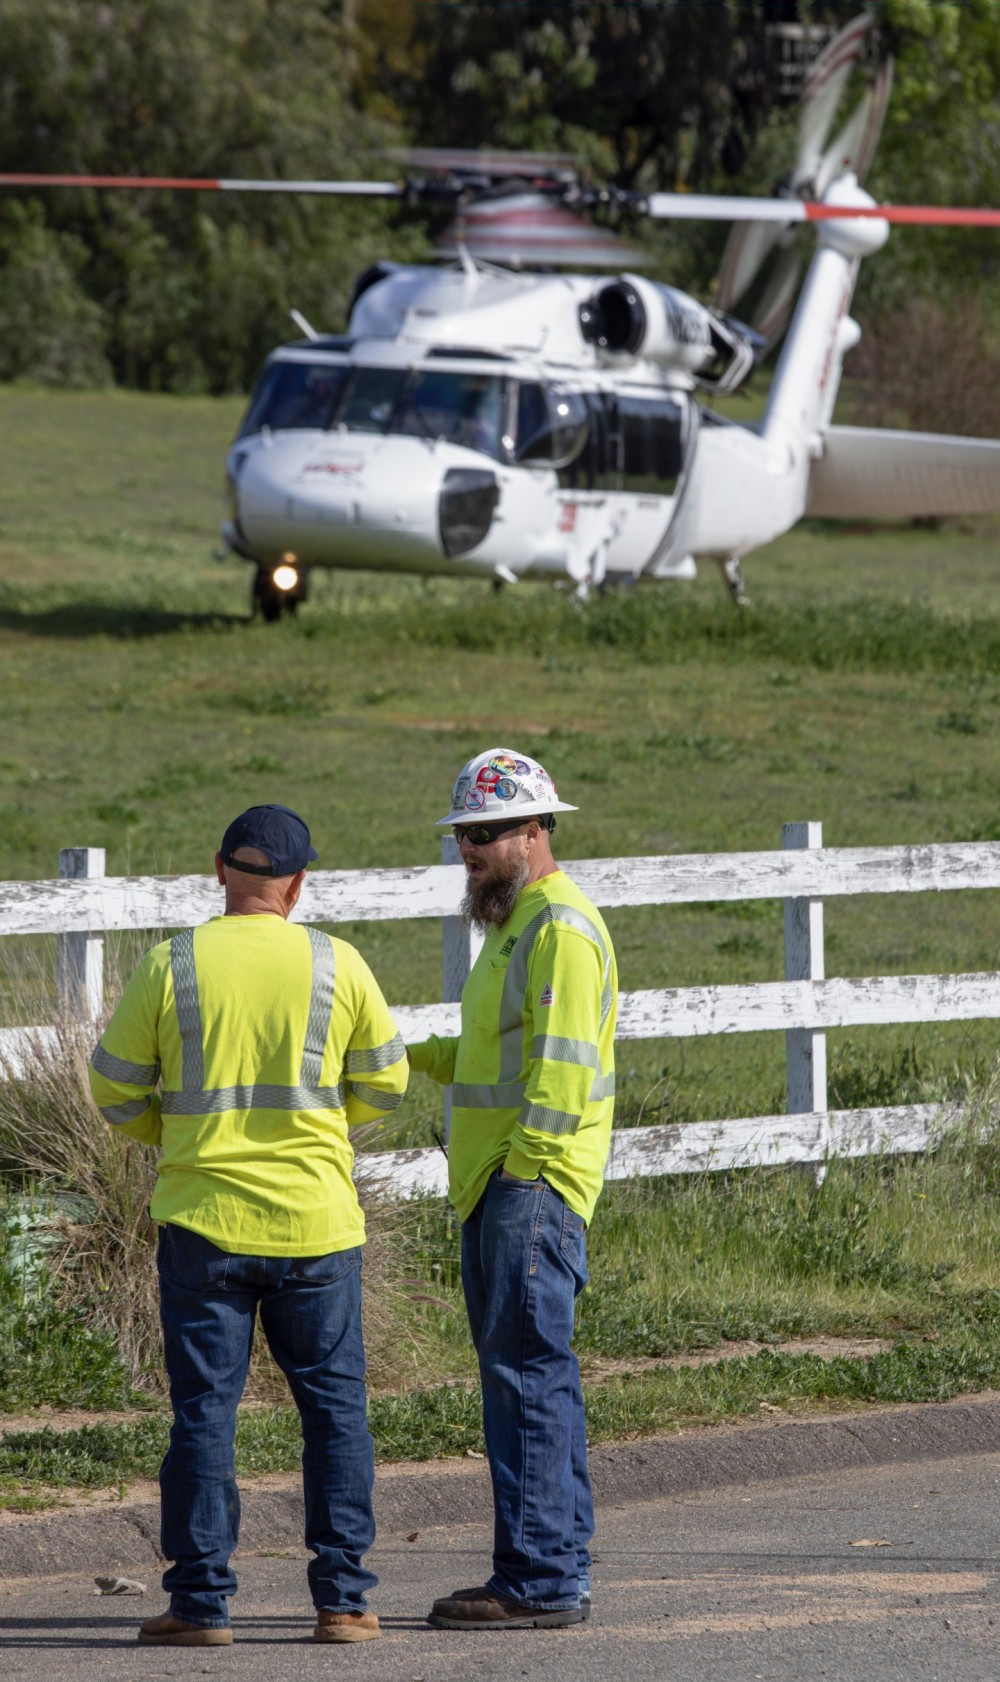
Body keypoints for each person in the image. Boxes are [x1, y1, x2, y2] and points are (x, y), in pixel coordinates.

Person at [87, 804, 407, 1648]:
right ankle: (344, 1602)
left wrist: (176, 1136)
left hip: (204, 1222)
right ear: (298, 886)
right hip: (317, 1226)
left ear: (219, 870)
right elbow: (386, 1081)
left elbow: (114, 1087)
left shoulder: (173, 963)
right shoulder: (339, 962)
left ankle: (200, 1606)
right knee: (335, 1415)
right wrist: (326, 1125)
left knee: (204, 1417)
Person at [407, 749, 618, 1630]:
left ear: (538, 830)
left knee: (526, 1378)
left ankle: (536, 1580)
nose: (472, 851)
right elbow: (487, 1057)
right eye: (464, 835)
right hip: (503, 1186)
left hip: (525, 1187)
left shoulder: (558, 928)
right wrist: (393, 1053)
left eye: (487, 834)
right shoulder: (520, 927)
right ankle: (552, 1570)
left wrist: (524, 1178)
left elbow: (561, 1076)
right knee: (534, 1380)